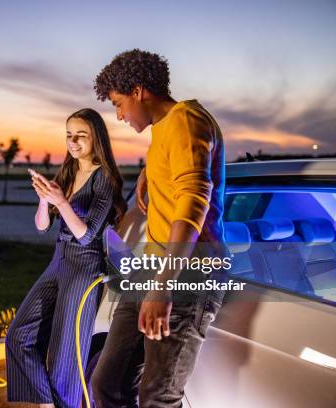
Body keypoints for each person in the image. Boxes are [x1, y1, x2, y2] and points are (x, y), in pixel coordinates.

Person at [91, 49, 226, 407]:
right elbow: (167, 191)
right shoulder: (164, 132)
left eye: (119, 104)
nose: (119, 116)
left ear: (138, 91)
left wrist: (163, 288)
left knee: (157, 397)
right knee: (108, 383)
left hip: (186, 276)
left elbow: (192, 205)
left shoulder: (186, 120)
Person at [5, 108, 127, 408]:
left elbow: (86, 235)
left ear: (96, 137)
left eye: (80, 135)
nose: (73, 142)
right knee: (18, 335)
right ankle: (46, 402)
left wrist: (62, 201)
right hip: (58, 261)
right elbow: (42, 226)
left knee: (65, 357)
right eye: (69, 135)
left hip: (85, 266)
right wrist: (45, 202)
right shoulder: (68, 172)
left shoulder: (104, 179)